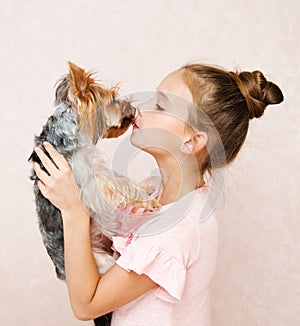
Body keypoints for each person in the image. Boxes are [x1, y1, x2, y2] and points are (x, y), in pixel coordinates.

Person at [32, 63, 283, 325]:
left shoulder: (173, 231)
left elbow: (87, 305)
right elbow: (98, 253)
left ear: (192, 141)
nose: (141, 106)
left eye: (161, 105)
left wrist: (73, 210)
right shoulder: (156, 193)